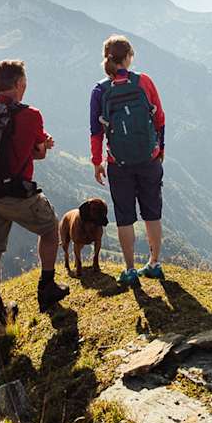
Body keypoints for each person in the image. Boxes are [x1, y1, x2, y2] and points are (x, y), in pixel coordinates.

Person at [0, 59, 69, 331]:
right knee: (51, 228)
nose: (26, 86)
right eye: (24, 82)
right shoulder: (30, 115)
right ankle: (47, 288)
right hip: (13, 193)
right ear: (18, 84)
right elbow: (38, 152)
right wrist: (44, 145)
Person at [90, 35, 166, 286]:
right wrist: (160, 148)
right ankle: (154, 264)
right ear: (129, 57)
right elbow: (159, 118)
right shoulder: (144, 81)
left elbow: (96, 131)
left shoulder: (100, 90)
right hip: (149, 158)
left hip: (118, 163)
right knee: (152, 212)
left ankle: (130, 269)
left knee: (124, 216)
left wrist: (96, 161)